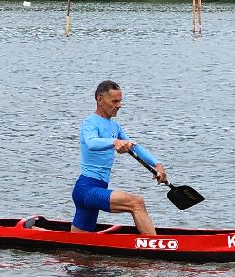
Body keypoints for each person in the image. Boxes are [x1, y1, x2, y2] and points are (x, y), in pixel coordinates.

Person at [71, 80, 168, 235]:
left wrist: (157, 164)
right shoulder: (90, 123)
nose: (119, 105)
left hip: (97, 188)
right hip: (86, 190)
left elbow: (135, 146)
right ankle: (158, 248)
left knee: (75, 242)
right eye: (114, 101)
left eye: (120, 101)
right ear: (100, 100)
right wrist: (114, 142)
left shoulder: (115, 127)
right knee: (136, 203)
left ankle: (35, 231)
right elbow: (91, 143)